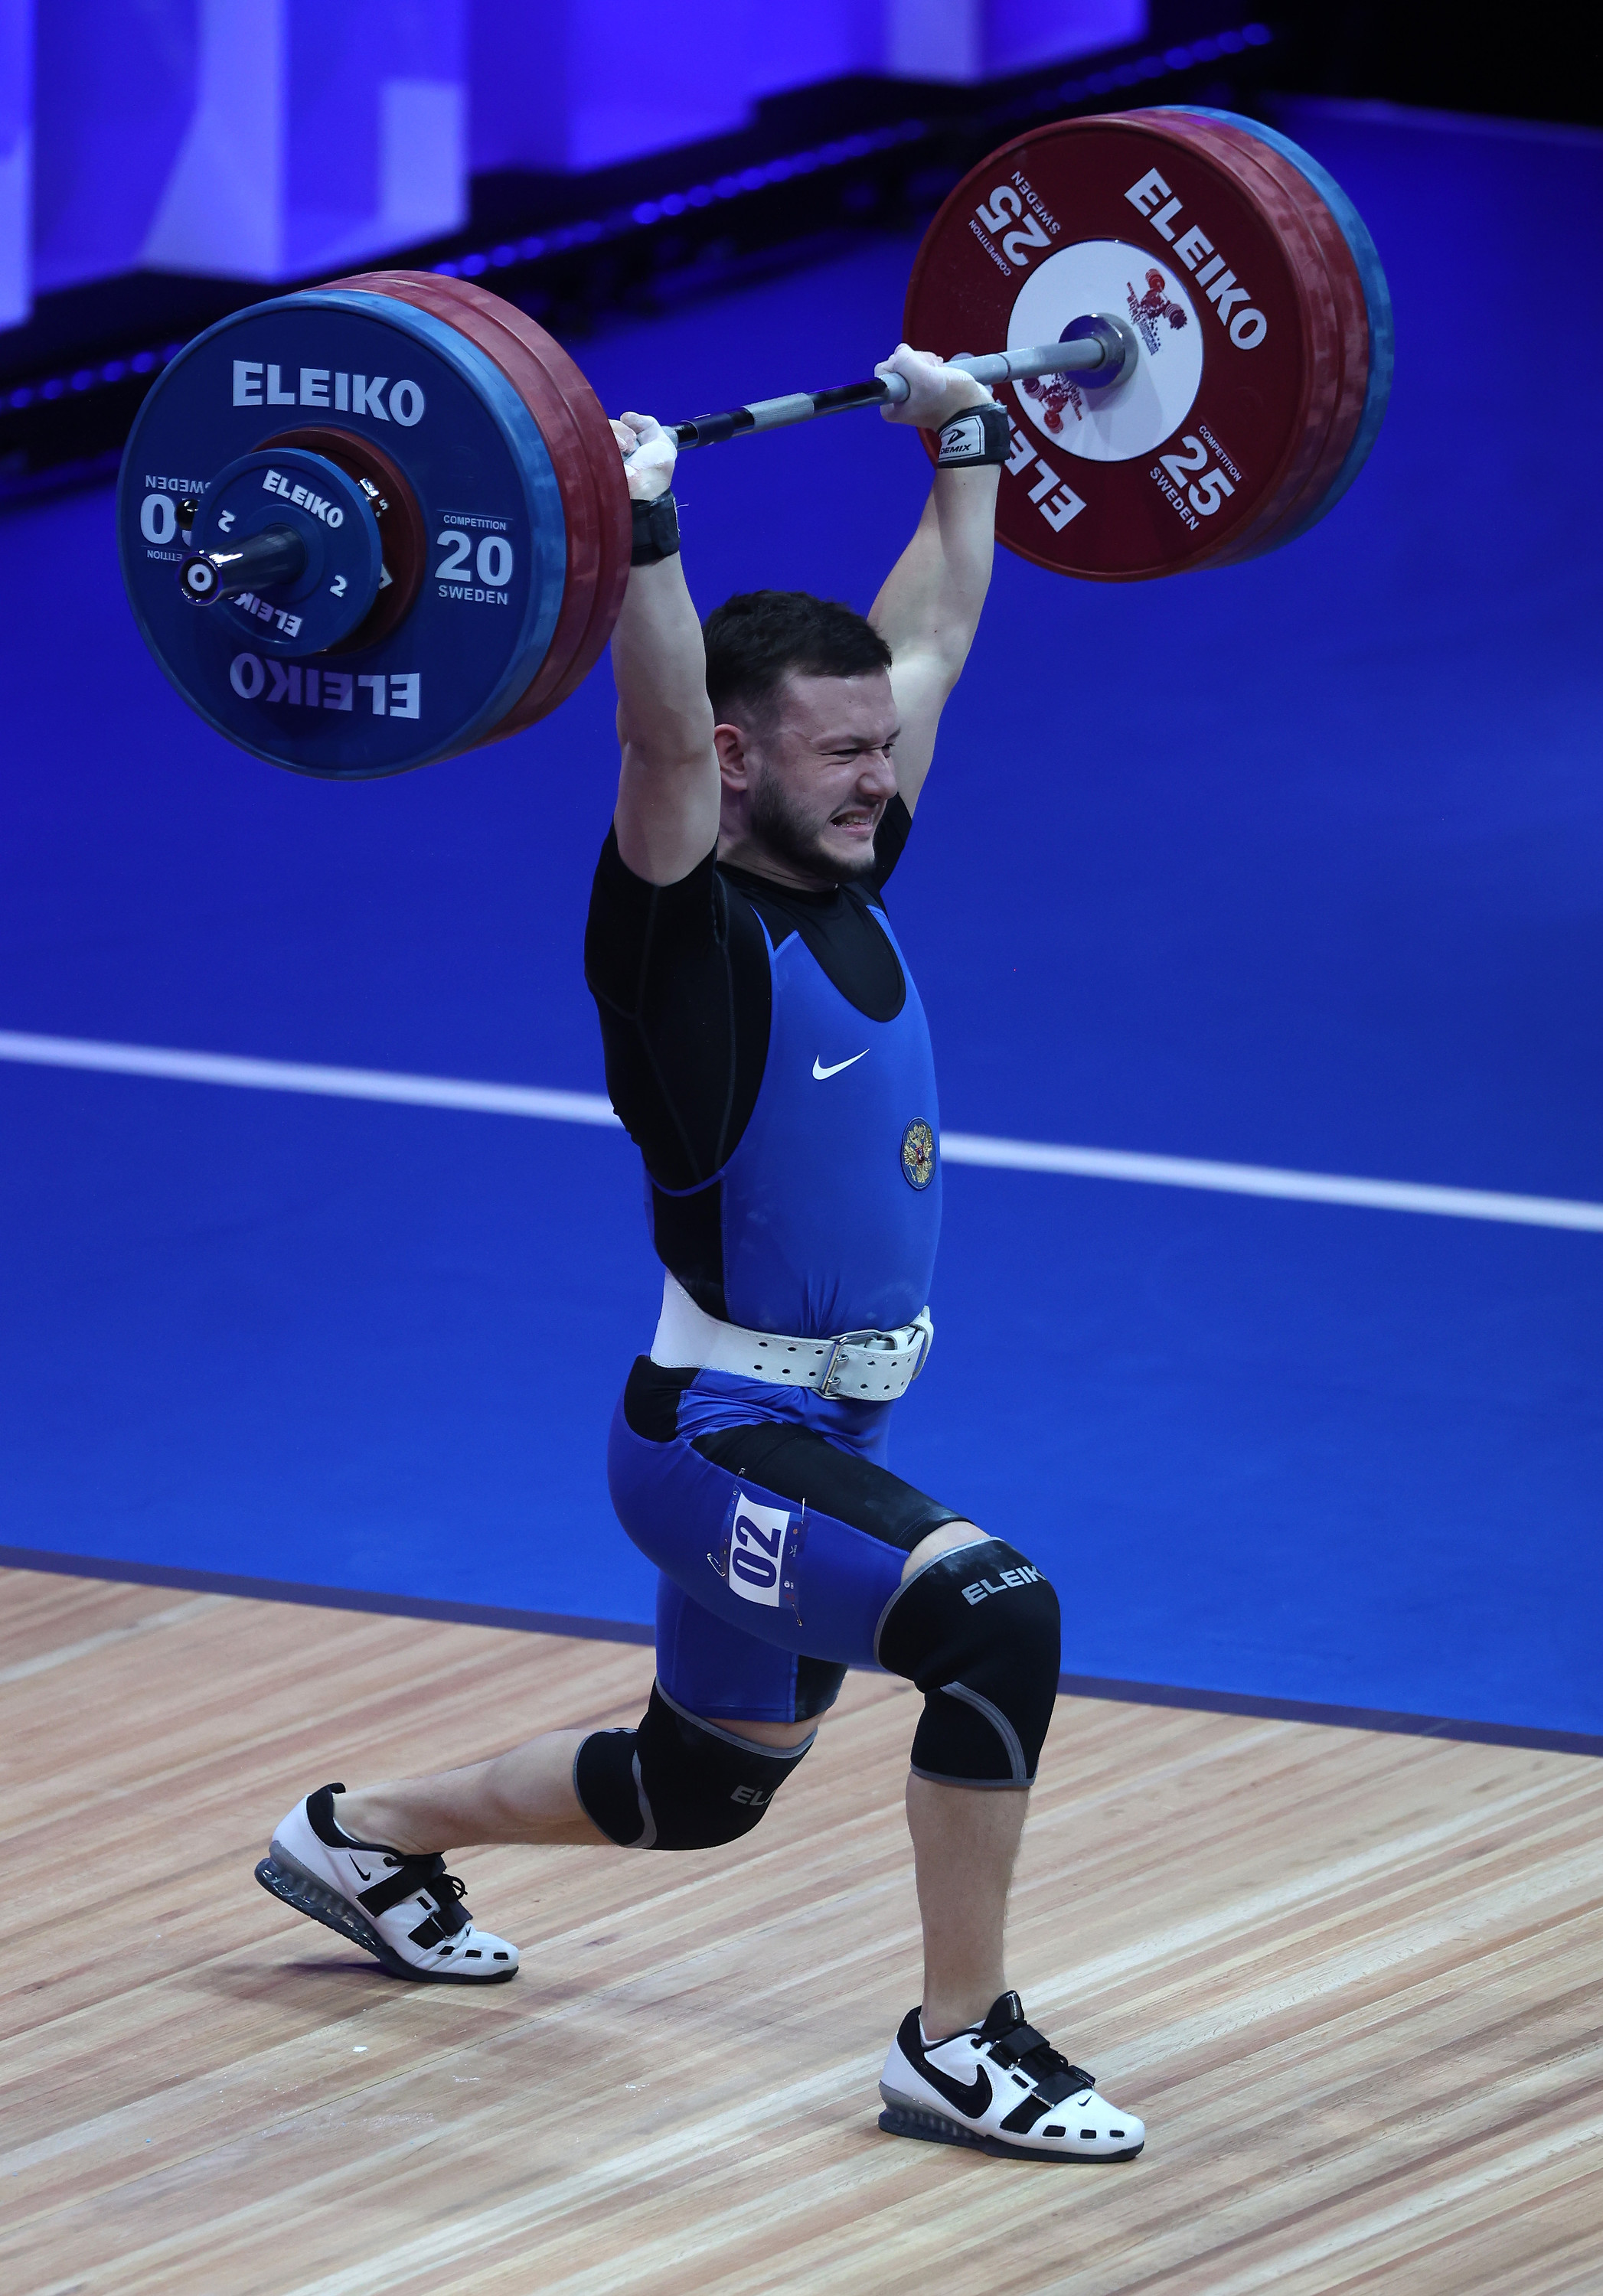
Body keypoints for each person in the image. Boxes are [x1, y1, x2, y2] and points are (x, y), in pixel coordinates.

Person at [256, 344, 1144, 2165]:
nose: (880, 779)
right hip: (716, 1440)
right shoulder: (684, 933)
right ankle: (958, 2043)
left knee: (702, 1786)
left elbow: (937, 634)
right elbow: (655, 739)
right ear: (740, 761)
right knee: (997, 1621)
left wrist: (967, 436)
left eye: (881, 750)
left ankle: (356, 1835)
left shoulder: (848, 869)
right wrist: (644, 529)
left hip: (826, 1429)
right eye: (842, 754)